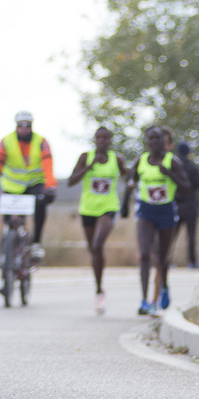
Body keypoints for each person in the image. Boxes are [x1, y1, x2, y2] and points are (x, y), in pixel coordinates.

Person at [122, 126, 190, 316]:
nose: (154, 143)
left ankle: (164, 287)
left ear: (163, 142)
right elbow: (130, 181)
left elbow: (186, 188)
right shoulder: (141, 161)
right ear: (147, 142)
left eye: (158, 139)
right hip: (146, 212)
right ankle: (144, 300)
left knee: (162, 257)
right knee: (144, 254)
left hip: (166, 212)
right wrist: (124, 204)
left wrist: (170, 175)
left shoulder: (172, 162)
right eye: (151, 139)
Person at [67, 127, 128, 315]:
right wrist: (88, 167)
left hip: (108, 207)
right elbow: (71, 181)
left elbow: (129, 177)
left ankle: (99, 291)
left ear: (110, 141)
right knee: (93, 250)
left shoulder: (116, 159)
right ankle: (99, 288)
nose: (101, 141)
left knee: (97, 244)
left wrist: (127, 201)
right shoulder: (85, 157)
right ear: (94, 140)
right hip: (88, 209)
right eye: (98, 138)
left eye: (105, 138)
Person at [0, 110, 57, 263]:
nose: (24, 129)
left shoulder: (40, 142)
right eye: (21, 126)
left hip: (34, 184)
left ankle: (36, 242)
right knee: (8, 220)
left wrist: (51, 186)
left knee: (40, 203)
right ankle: (7, 250)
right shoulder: (6, 141)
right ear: (16, 126)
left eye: (27, 126)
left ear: (31, 126)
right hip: (12, 185)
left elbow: (47, 164)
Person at [174, 142, 199, 269]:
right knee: (191, 236)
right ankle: (192, 262)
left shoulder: (173, 166)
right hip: (190, 205)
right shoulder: (192, 166)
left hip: (176, 205)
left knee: (171, 236)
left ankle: (166, 260)